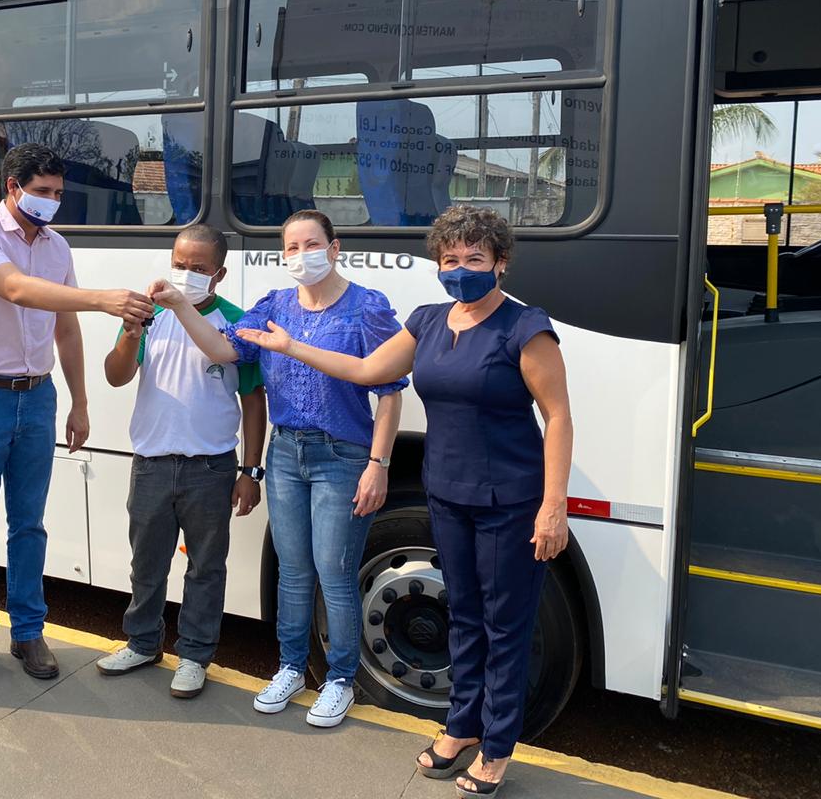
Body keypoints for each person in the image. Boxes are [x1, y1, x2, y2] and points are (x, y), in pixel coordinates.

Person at [235, 205, 572, 797]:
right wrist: (290, 347)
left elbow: (559, 416)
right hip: (447, 493)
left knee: (505, 626)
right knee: (464, 616)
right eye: (450, 259)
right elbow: (367, 370)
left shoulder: (526, 328)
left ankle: (496, 748)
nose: (460, 269)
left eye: (474, 259)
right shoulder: (429, 320)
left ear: (501, 263)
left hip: (508, 500)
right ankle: (461, 726)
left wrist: (553, 506)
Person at [152, 210, 406, 728]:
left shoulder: (366, 309)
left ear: (334, 249)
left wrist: (378, 464)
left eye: (310, 244)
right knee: (292, 572)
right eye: (290, 247)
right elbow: (224, 349)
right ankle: (291, 668)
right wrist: (179, 303)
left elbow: (390, 392)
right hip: (286, 453)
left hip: (344, 456)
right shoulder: (272, 308)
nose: (299, 255)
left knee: (334, 573)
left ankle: (339, 680)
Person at [0, 143, 156, 687]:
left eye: (58, 194)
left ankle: (27, 631)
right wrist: (101, 298)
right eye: (42, 192)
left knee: (29, 523)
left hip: (36, 396)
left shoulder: (58, 245)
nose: (51, 202)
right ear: (12, 188)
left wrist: (79, 402)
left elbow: (64, 325)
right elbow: (15, 289)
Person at [96, 224, 266, 699]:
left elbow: (254, 401)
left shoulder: (235, 321)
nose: (185, 274)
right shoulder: (149, 314)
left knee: (206, 567)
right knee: (146, 563)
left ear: (219, 274)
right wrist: (131, 334)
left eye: (198, 268)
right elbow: (115, 376)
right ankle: (143, 642)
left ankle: (194, 655)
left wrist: (250, 471)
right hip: (150, 462)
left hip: (210, 467)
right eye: (179, 264)